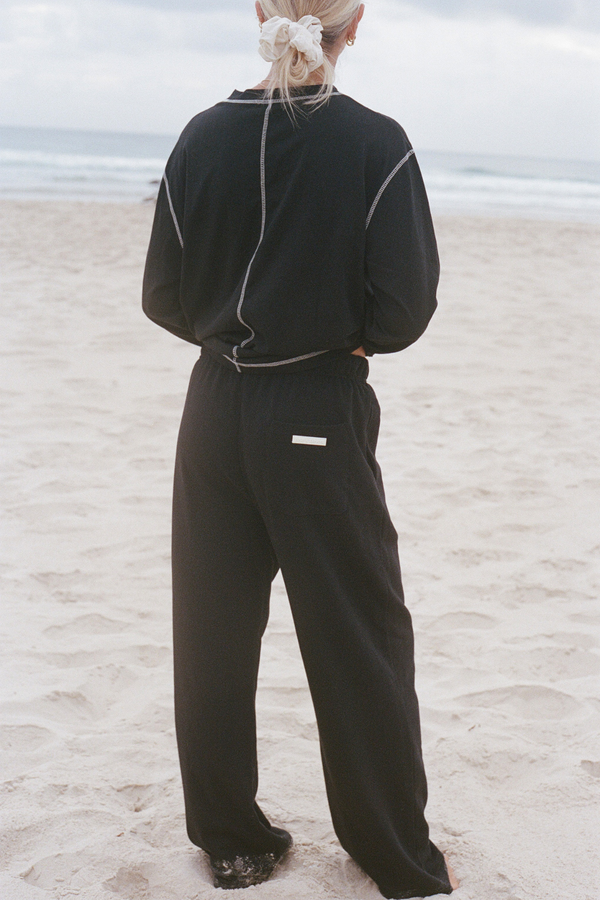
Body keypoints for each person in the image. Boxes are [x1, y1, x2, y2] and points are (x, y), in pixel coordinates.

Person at [142, 2, 457, 897]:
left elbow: (162, 294)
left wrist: (229, 335)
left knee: (211, 630)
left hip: (213, 408)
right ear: (354, 27)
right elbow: (405, 309)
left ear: (261, 15)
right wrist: (341, 337)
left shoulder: (201, 135)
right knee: (357, 633)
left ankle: (232, 843)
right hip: (316, 405)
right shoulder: (375, 143)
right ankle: (392, 855)